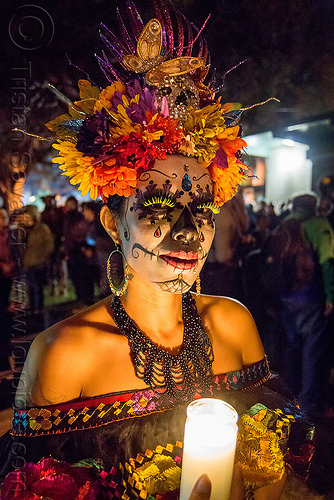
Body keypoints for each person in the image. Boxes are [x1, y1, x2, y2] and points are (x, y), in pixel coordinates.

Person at [0, 3, 314, 499]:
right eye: (160, 208)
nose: (190, 234)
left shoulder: (234, 326)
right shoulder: (65, 354)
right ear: (112, 222)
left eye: (202, 208)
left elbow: (274, 477)